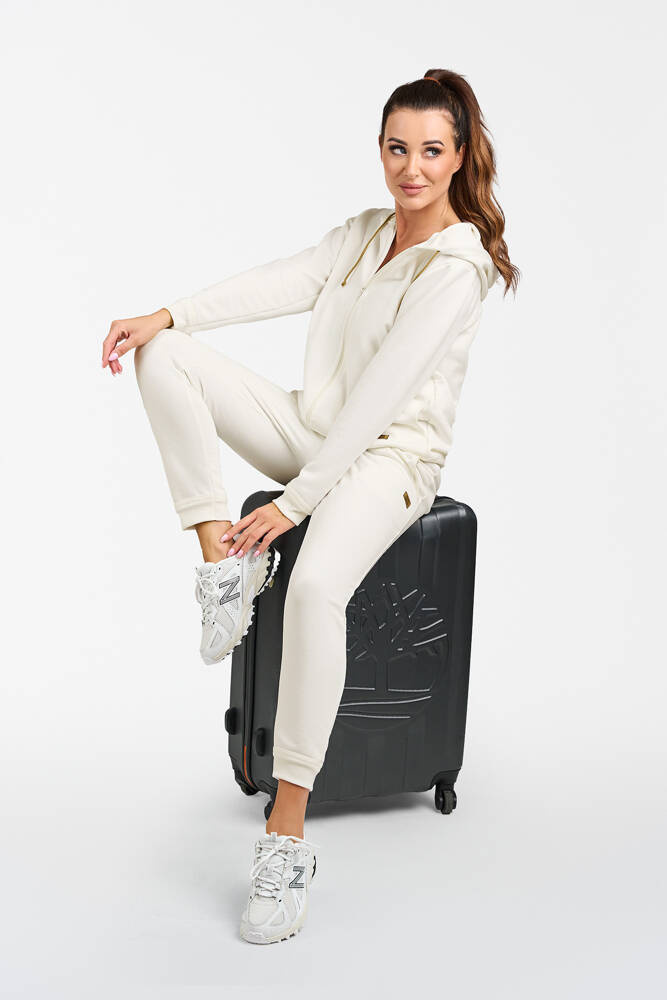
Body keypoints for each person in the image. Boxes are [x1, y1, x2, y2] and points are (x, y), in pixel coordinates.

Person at [101, 68, 519, 945]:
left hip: (392, 460)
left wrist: (295, 505)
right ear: (380, 150)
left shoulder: (459, 266)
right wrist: (167, 312)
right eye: (397, 148)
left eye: (430, 151)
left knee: (316, 588)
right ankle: (222, 572)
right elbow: (277, 282)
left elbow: (383, 398)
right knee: (165, 354)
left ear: (458, 157)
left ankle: (285, 836)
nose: (411, 168)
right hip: (321, 433)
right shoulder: (367, 234)